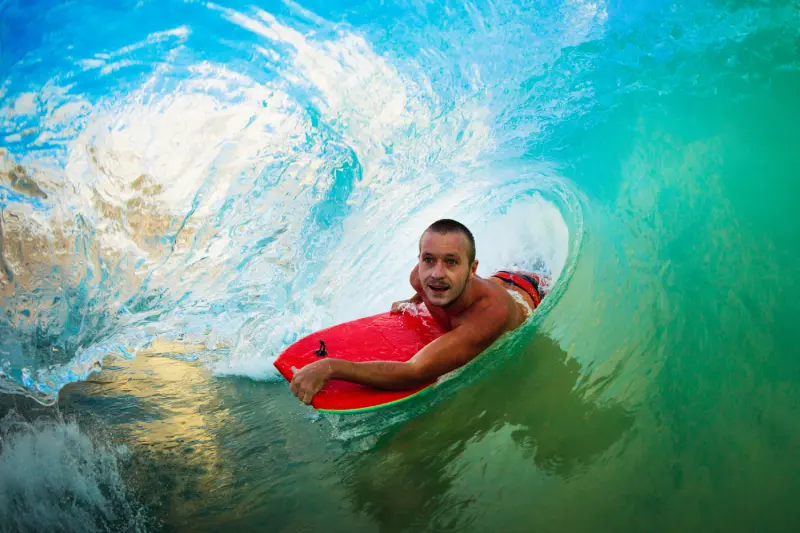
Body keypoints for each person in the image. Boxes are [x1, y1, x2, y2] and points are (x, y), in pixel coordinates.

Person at [290, 219, 547, 405]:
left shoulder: (488, 315)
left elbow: (415, 372)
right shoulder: (421, 278)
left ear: (472, 269)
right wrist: (413, 301)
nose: (436, 274)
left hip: (531, 290)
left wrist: (331, 367)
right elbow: (428, 281)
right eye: (428, 259)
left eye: (451, 261)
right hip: (497, 279)